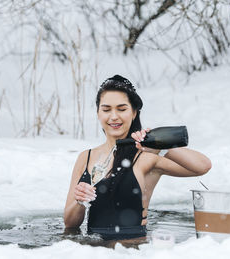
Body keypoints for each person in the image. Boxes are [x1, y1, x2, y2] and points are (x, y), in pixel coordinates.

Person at [63, 75, 211, 241]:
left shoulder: (146, 156)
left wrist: (160, 147)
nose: (113, 116)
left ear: (134, 112)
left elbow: (202, 166)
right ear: (98, 113)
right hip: (93, 251)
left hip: (132, 251)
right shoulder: (86, 157)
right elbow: (70, 224)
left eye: (121, 109)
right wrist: (80, 201)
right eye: (106, 110)